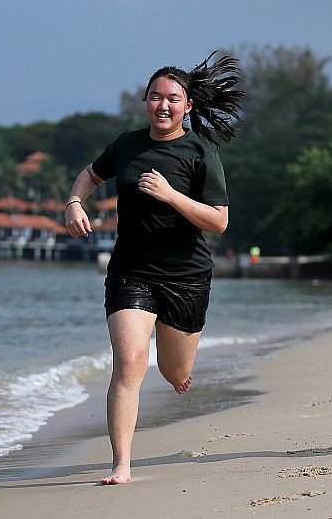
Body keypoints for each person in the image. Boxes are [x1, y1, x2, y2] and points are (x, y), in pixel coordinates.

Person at [65, 52, 246, 484]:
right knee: (129, 363)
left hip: (186, 275)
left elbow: (218, 221)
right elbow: (90, 174)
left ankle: (177, 370)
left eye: (172, 98)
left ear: (187, 106)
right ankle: (121, 465)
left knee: (174, 370)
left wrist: (171, 195)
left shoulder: (201, 152)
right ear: (144, 101)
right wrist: (74, 201)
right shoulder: (127, 145)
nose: (162, 105)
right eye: (154, 97)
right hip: (131, 270)